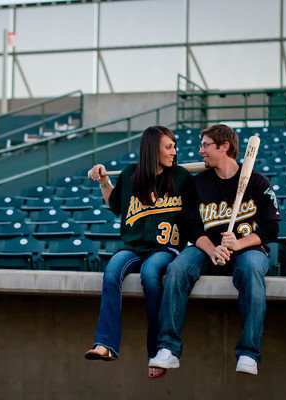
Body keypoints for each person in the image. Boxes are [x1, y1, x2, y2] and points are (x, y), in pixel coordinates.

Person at [150, 124, 280, 376]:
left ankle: (248, 353)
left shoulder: (257, 181)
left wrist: (239, 243)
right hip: (207, 248)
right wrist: (212, 250)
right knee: (177, 268)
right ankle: (168, 348)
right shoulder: (197, 184)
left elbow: (271, 229)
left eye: (205, 145)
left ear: (224, 147)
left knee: (252, 269)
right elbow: (190, 226)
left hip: (248, 249)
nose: (200, 151)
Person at [84, 125, 194, 380]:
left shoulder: (181, 176)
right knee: (111, 271)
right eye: (168, 147)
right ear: (151, 148)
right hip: (133, 246)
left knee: (150, 274)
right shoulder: (130, 174)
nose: (174, 152)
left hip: (166, 249)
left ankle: (157, 352)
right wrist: (104, 180)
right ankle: (106, 345)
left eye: (174, 146)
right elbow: (114, 205)